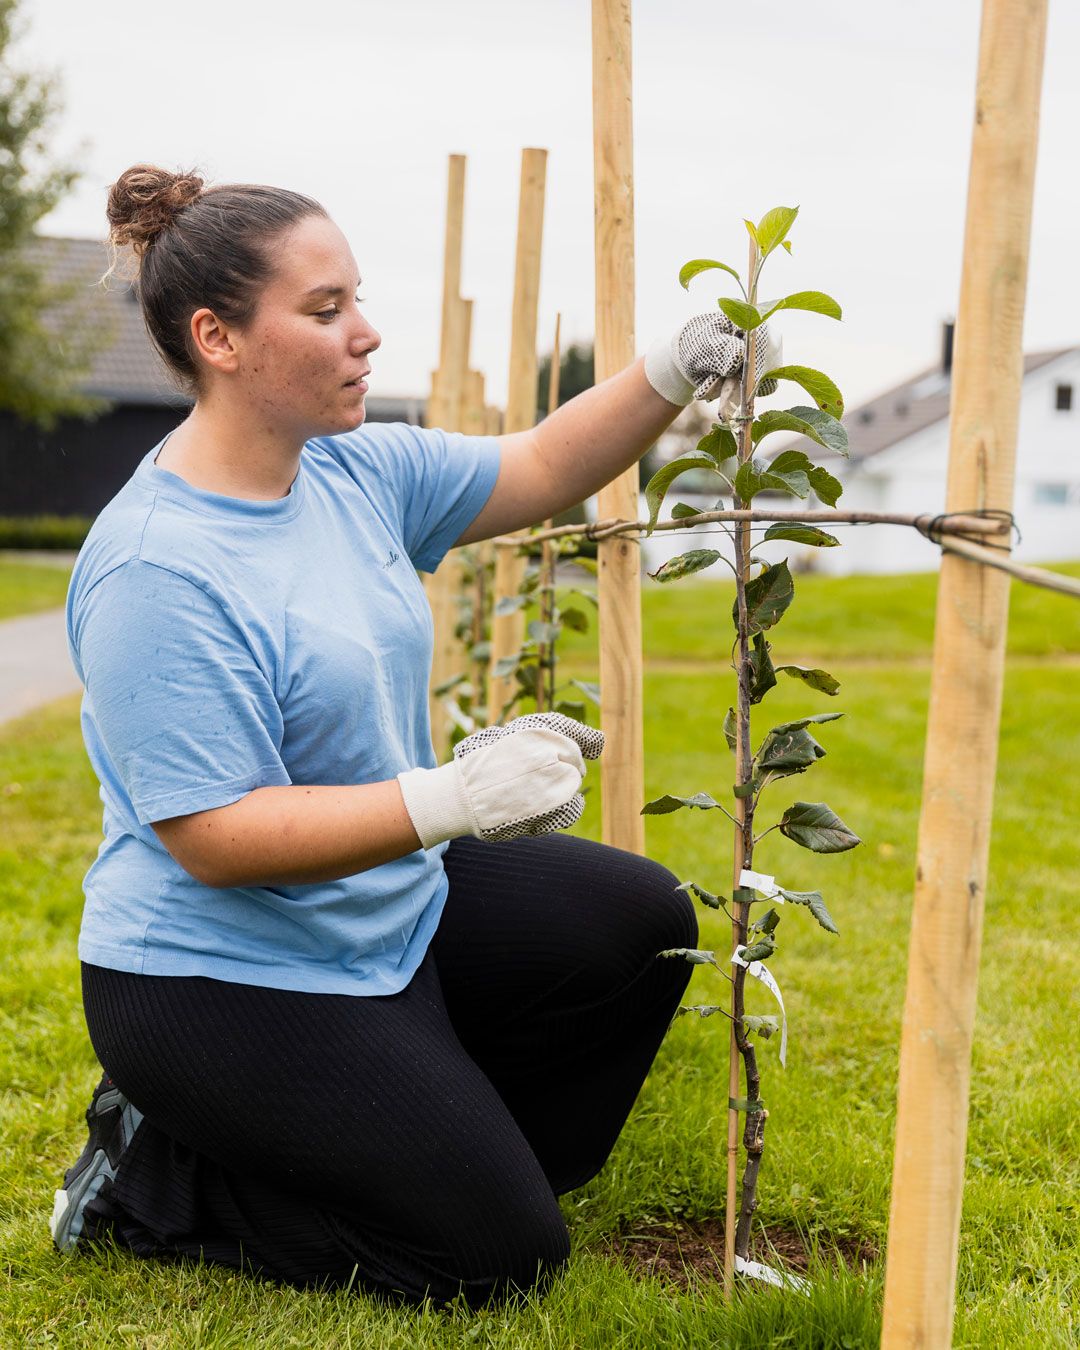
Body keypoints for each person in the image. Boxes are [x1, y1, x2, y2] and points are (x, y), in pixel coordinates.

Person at [50, 164, 775, 1307]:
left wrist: (673, 370)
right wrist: (453, 799)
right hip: (218, 974)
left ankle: (450, 1161)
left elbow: (541, 464)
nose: (367, 335)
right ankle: (150, 1180)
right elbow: (215, 837)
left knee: (638, 923)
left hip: (385, 904)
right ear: (219, 339)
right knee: (496, 1263)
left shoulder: (348, 470)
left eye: (360, 301)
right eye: (326, 310)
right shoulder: (159, 565)